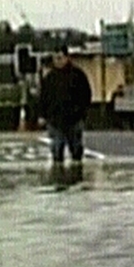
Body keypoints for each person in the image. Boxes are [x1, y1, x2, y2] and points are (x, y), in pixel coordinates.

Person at [39, 45, 92, 182]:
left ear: (66, 57)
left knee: (76, 150)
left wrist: (81, 113)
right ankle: (58, 178)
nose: (58, 61)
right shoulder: (49, 78)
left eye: (60, 58)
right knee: (57, 149)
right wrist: (42, 116)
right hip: (55, 121)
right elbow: (42, 98)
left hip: (74, 119)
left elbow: (86, 95)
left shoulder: (77, 75)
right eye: (55, 58)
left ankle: (77, 177)